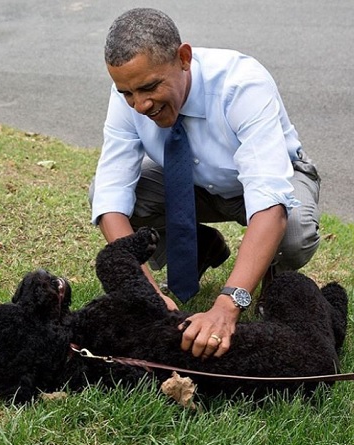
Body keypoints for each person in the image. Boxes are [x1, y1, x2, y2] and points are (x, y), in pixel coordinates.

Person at [89, 7, 320, 360]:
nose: (140, 105)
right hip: (191, 185)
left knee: (294, 233)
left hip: (265, 183)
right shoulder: (130, 93)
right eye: (128, 93)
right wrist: (145, 294)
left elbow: (270, 203)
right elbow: (110, 197)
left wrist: (228, 305)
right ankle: (198, 247)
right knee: (109, 197)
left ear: (184, 58)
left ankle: (271, 282)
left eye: (150, 87)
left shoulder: (242, 84)